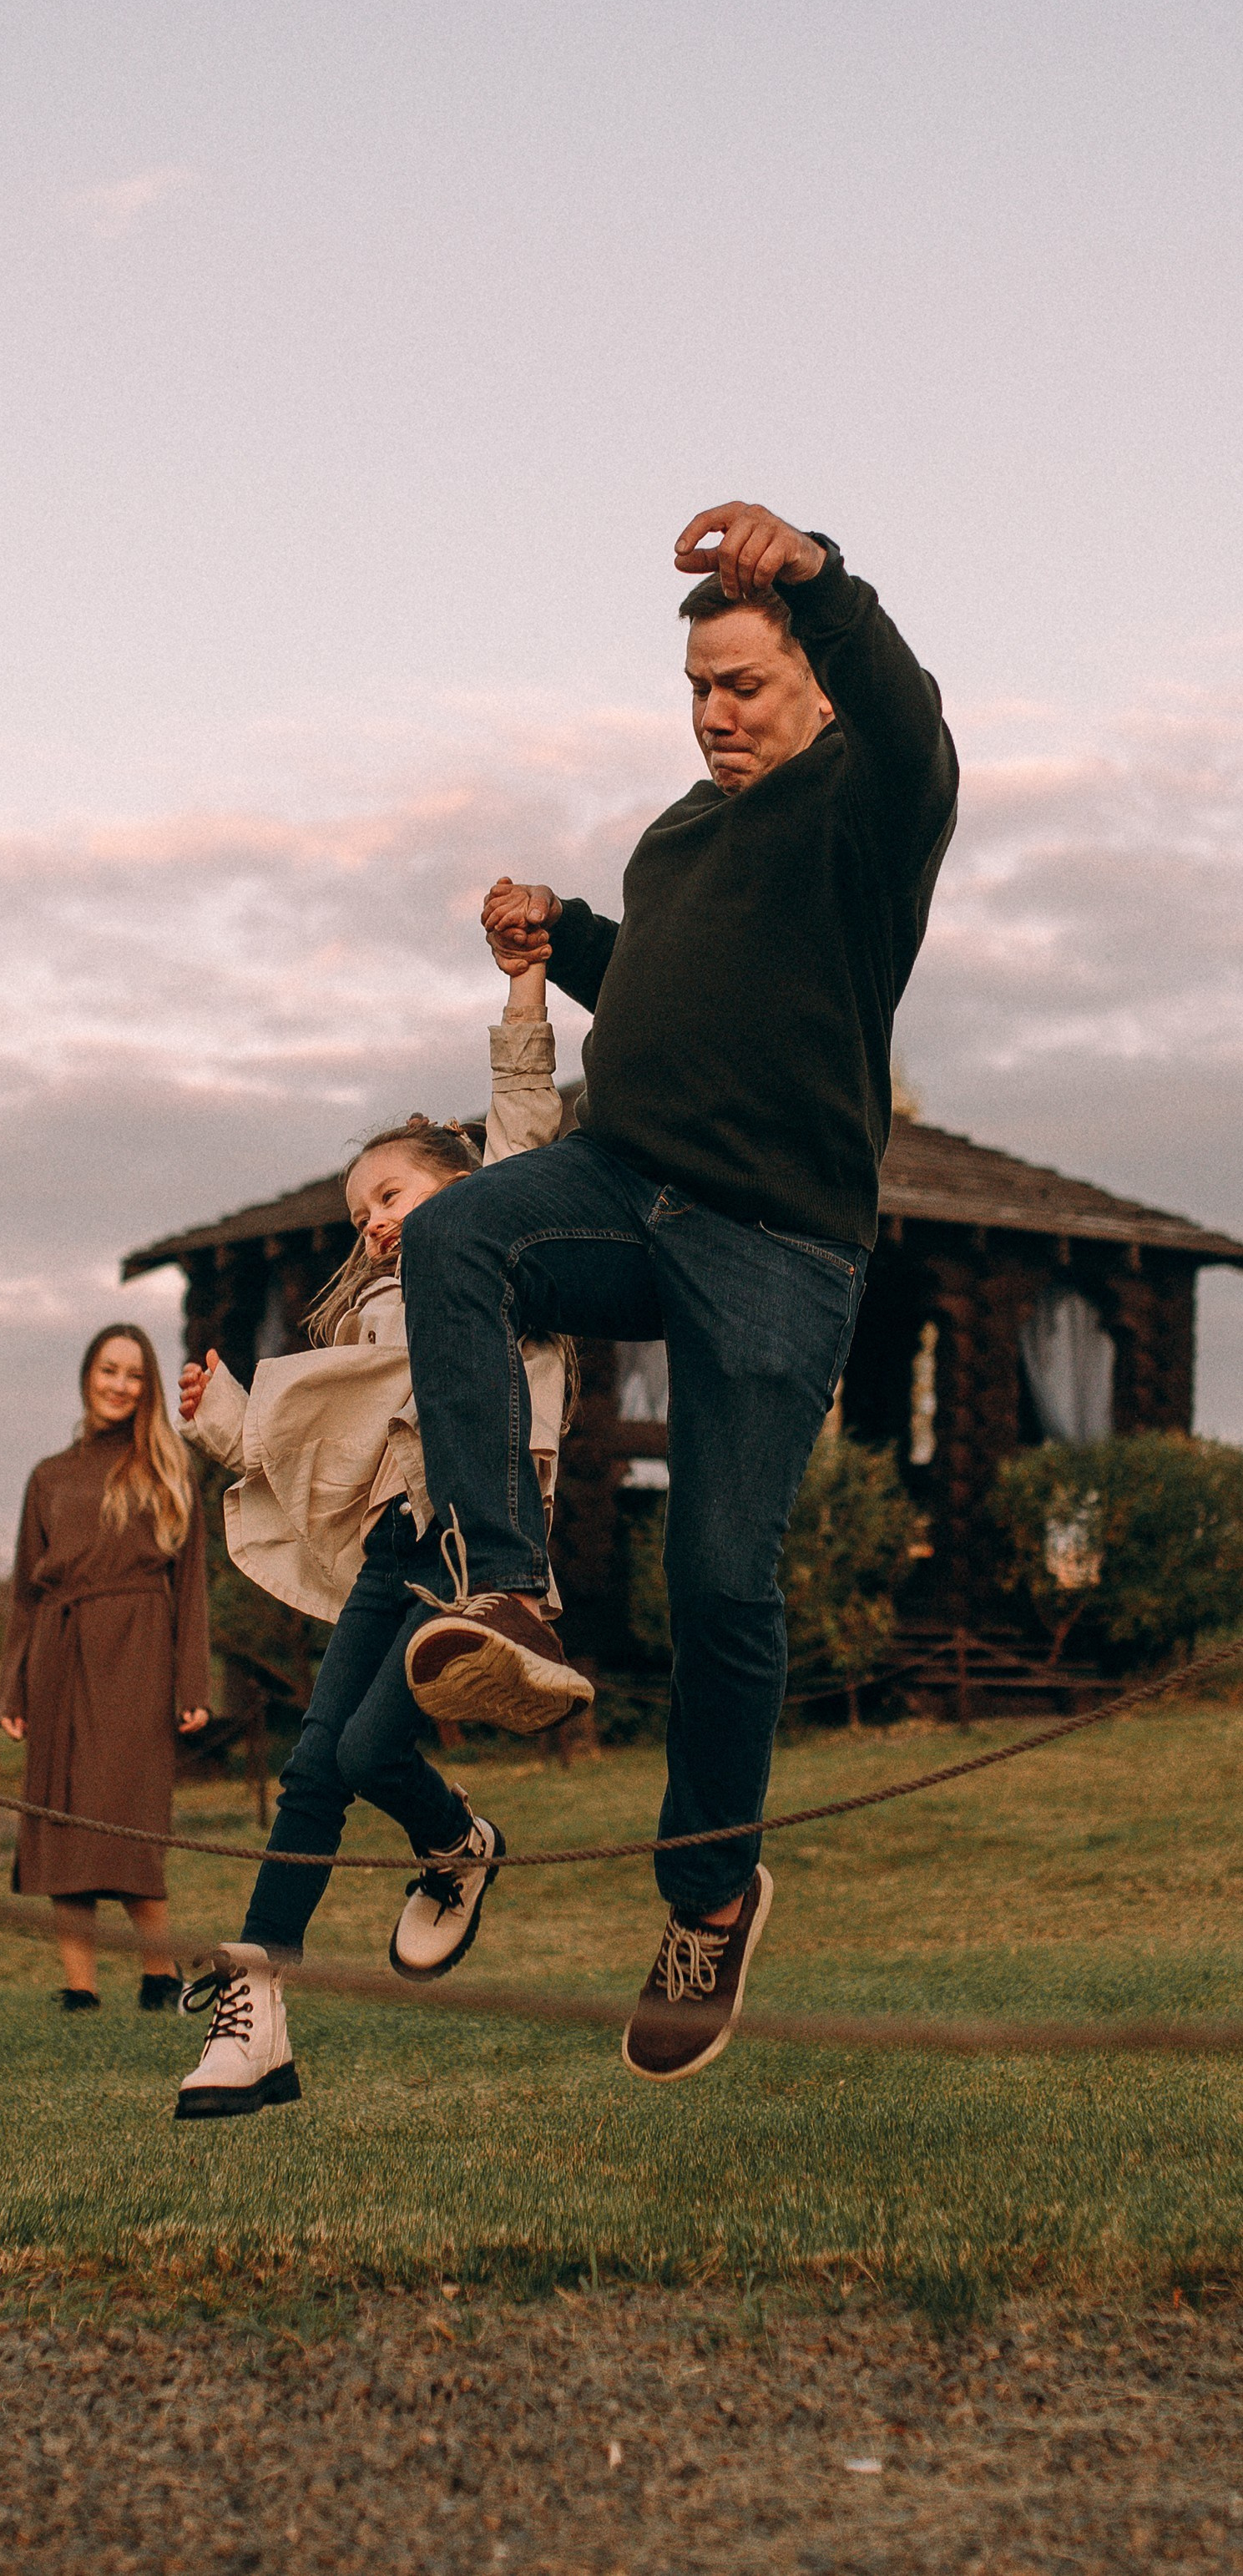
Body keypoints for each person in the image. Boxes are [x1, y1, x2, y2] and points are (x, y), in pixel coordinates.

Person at [398, 500, 958, 2085]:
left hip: (779, 1240)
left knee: (714, 1584)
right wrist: (563, 934)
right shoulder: (678, 832)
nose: (715, 715)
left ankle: (707, 1895)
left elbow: (914, 724)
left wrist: (816, 575)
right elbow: (664, 982)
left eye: (746, 686)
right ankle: (502, 1590)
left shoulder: (868, 805)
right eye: (698, 692)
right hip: (622, 1183)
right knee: (456, 1237)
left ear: (813, 686)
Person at [169, 951, 577, 2119]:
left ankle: (456, 1839)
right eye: (363, 1216)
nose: (378, 1225)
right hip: (397, 1549)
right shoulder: (371, 1320)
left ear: (459, 1178)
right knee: (314, 1764)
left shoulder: (509, 1257)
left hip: (483, 1551)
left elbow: (527, 1124)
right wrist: (225, 1423)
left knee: (361, 1758)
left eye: (392, 1197)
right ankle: (255, 2015)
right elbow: (320, 1460)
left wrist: (522, 991)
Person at [0, 1323, 211, 2012]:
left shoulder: (167, 1467)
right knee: (61, 1820)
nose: (119, 1384)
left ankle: (158, 1974)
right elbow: (25, 1592)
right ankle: (79, 1988)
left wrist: (192, 1683)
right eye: (108, 1370)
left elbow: (193, 1586)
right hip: (59, 1655)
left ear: (147, 1386)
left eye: (133, 1374)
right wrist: (13, 1685)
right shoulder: (48, 1476)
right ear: (87, 1374)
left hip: (139, 1653)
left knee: (129, 1817)